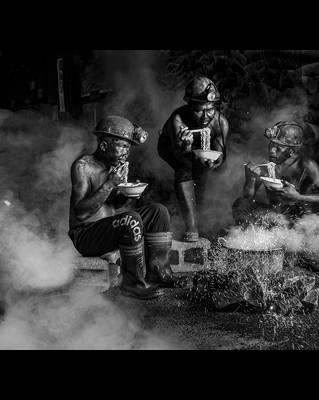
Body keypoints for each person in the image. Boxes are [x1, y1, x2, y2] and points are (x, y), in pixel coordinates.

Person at [68, 115, 188, 300]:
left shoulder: (114, 166)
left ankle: (158, 272)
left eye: (128, 148)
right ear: (104, 145)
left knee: (159, 211)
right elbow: (81, 213)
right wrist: (110, 183)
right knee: (131, 219)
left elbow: (114, 205)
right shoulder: (83, 167)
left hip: (107, 229)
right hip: (86, 236)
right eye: (122, 146)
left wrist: (127, 194)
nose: (126, 152)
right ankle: (132, 284)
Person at [232, 120, 319, 275]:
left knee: (315, 220)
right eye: (271, 144)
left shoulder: (306, 164)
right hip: (273, 214)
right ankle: (248, 245)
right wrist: (250, 178)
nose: (272, 150)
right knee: (241, 204)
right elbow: (248, 195)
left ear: (292, 150)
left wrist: (298, 196)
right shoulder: (266, 165)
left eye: (278, 147)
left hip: (297, 216)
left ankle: (306, 254)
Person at [158, 76, 229, 242]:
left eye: (210, 110)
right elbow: (180, 156)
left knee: (202, 175)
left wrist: (214, 162)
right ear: (189, 106)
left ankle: (202, 220)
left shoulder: (221, 123)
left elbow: (220, 154)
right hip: (172, 148)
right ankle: (191, 226)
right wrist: (186, 146)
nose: (205, 116)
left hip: (199, 150)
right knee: (185, 170)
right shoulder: (178, 119)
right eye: (198, 110)